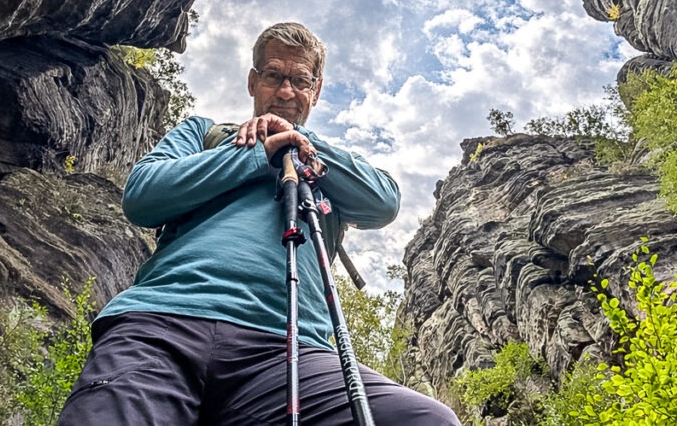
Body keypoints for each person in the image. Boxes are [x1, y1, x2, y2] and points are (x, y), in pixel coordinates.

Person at [58, 22, 459, 425]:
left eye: (300, 80)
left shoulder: (325, 163)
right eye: (273, 76)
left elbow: (384, 202)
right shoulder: (205, 134)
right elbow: (143, 195)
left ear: (315, 91)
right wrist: (254, 154)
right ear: (254, 82)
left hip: (291, 352)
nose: (286, 91)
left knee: (426, 420)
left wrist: (299, 141)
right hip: (161, 326)